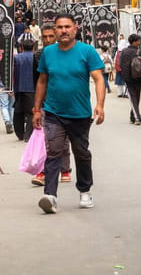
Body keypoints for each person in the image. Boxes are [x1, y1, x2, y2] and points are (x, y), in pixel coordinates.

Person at [33, 13, 105, 214]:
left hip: (80, 114)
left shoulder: (87, 51)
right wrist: (37, 109)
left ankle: (85, 190)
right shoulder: (48, 53)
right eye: (59, 27)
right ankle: (50, 196)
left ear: (75, 29)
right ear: (54, 30)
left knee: (81, 153)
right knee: (54, 152)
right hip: (54, 112)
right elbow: (42, 81)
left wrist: (99, 105)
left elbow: (99, 79)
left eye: (67, 26)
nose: (63, 30)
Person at [31, 24, 72, 187]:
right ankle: (43, 171)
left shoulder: (67, 51)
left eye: (50, 36)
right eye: (44, 37)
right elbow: (38, 81)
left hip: (67, 102)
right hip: (48, 103)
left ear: (56, 35)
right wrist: (36, 106)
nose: (48, 40)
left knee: (65, 139)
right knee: (48, 138)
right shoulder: (39, 55)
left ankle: (65, 170)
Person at [13, 40, 37, 141]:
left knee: (18, 111)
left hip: (18, 88)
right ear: (33, 48)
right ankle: (28, 135)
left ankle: (20, 134)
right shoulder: (35, 57)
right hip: (31, 88)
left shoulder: (16, 58)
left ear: (21, 47)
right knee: (31, 112)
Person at [119, 34, 141, 125]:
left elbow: (120, 64)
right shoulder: (139, 51)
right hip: (138, 77)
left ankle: (133, 116)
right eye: (138, 40)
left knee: (134, 97)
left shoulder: (124, 51)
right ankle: (137, 117)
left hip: (128, 78)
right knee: (136, 97)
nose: (139, 42)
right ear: (134, 41)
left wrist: (125, 75)